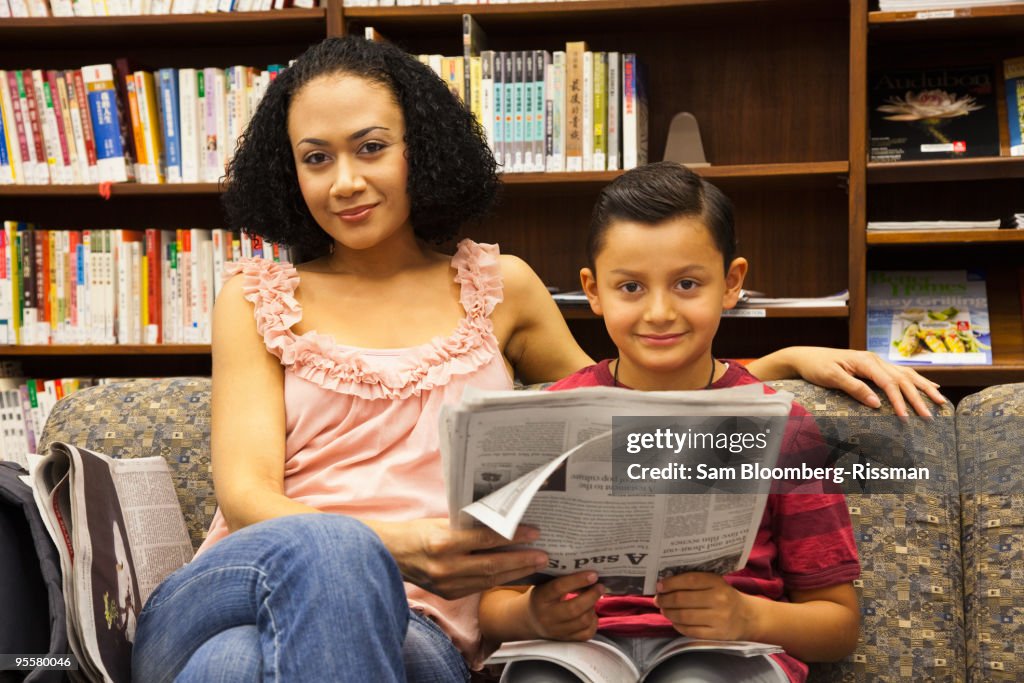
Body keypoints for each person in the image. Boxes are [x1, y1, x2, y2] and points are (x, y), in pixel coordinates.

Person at [130, 37, 929, 682]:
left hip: (422, 626)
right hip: (240, 586)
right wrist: (393, 544)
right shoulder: (257, 294)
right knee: (327, 556)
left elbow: (623, 392)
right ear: (288, 170)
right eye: (316, 158)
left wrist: (782, 361)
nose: (346, 182)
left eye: (371, 147)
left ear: (424, 148)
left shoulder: (498, 285)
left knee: (236, 670)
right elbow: (245, 493)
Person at [479, 162, 861, 683]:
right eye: (630, 287)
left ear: (731, 284)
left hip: (725, 652)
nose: (658, 312)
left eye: (686, 283)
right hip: (575, 652)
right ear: (593, 291)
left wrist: (748, 615)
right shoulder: (549, 417)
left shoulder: (783, 427)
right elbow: (492, 604)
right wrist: (531, 615)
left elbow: (838, 624)